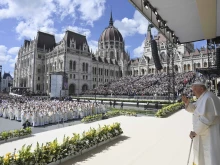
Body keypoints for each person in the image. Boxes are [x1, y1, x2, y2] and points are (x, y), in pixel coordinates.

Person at [182, 80, 220, 165]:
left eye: (195, 89)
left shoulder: (208, 98)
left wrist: (195, 132)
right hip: (204, 132)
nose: (193, 92)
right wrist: (187, 103)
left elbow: (206, 119)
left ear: (201, 89)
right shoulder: (203, 97)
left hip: (210, 134)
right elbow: (195, 109)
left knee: (210, 158)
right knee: (203, 157)